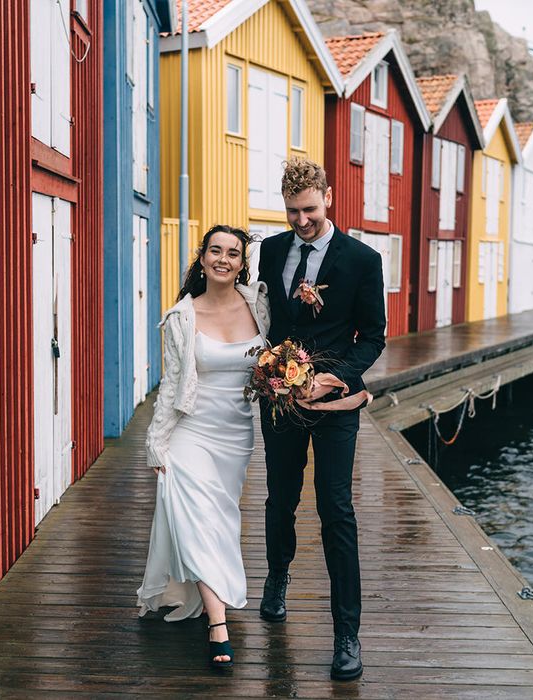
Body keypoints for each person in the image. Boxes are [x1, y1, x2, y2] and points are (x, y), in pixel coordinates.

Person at [257, 157, 386, 681]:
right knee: (280, 498)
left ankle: (347, 634)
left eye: (309, 209)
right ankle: (277, 578)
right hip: (280, 403)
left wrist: (338, 379)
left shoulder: (362, 259)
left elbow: (374, 337)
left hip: (333, 405)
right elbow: (261, 317)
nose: (300, 221)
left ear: (328, 197)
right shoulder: (269, 251)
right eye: (292, 212)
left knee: (337, 510)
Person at [137, 224, 269, 668]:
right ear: (203, 257)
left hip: (236, 435)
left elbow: (275, 359)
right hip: (191, 432)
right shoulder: (182, 317)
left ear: (241, 264)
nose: (223, 259)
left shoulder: (260, 306)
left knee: (219, 521)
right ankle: (218, 623)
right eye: (215, 250)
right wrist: (157, 444)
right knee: (196, 517)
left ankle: (205, 598)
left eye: (233, 253)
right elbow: (171, 384)